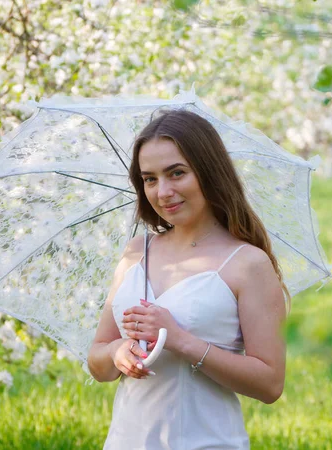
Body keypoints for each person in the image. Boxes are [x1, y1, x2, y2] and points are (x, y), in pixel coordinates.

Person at [87, 109, 287, 449]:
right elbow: (97, 361)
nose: (163, 191)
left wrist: (179, 339)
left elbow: (269, 384)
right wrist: (118, 351)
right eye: (149, 179)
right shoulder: (138, 252)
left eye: (176, 173)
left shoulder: (247, 264)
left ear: (208, 172)